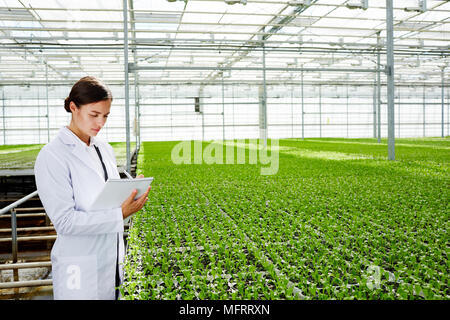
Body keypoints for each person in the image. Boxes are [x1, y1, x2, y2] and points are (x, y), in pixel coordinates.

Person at [34, 76, 150, 300]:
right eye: (94, 115)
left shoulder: (103, 148)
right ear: (73, 107)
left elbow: (106, 198)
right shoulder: (52, 156)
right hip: (79, 266)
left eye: (105, 116)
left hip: (111, 258)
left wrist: (131, 192)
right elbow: (66, 222)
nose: (100, 123)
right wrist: (120, 214)